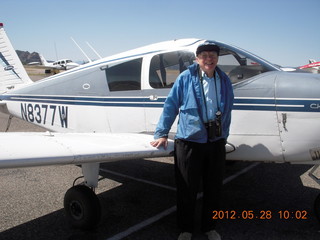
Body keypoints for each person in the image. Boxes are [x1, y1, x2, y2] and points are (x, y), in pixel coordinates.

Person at [150, 42, 234, 240]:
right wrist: (161, 133)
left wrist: (224, 136)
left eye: (212, 55)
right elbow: (171, 105)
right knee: (187, 188)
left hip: (215, 142)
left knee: (214, 188)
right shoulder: (186, 78)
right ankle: (185, 229)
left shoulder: (224, 79)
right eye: (203, 55)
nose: (208, 59)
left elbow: (228, 109)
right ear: (197, 59)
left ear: (217, 58)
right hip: (189, 141)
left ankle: (209, 227)